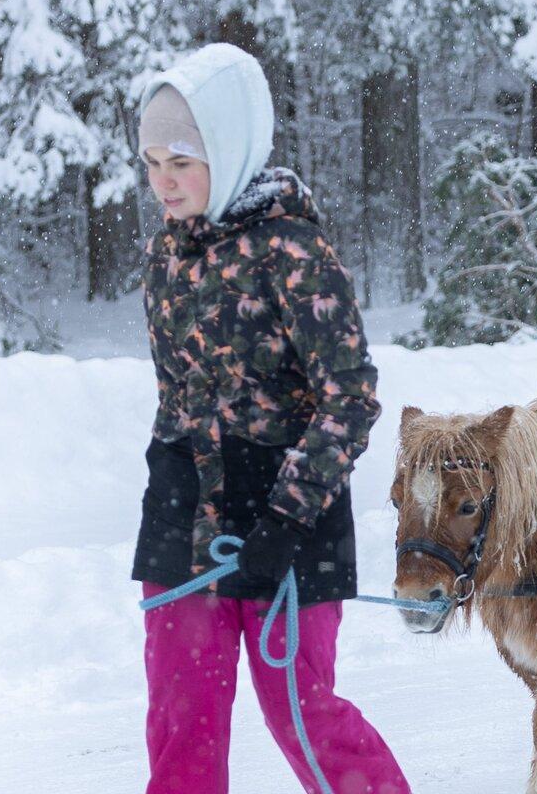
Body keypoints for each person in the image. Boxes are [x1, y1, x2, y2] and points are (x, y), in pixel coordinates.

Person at [127, 43, 409, 794]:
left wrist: (284, 519)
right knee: (181, 723)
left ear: (228, 146)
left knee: (302, 713)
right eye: (152, 162)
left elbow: (349, 397)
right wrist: (173, 482)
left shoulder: (293, 248)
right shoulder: (163, 255)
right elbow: (178, 389)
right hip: (185, 517)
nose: (163, 181)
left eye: (180, 160)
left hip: (289, 517)